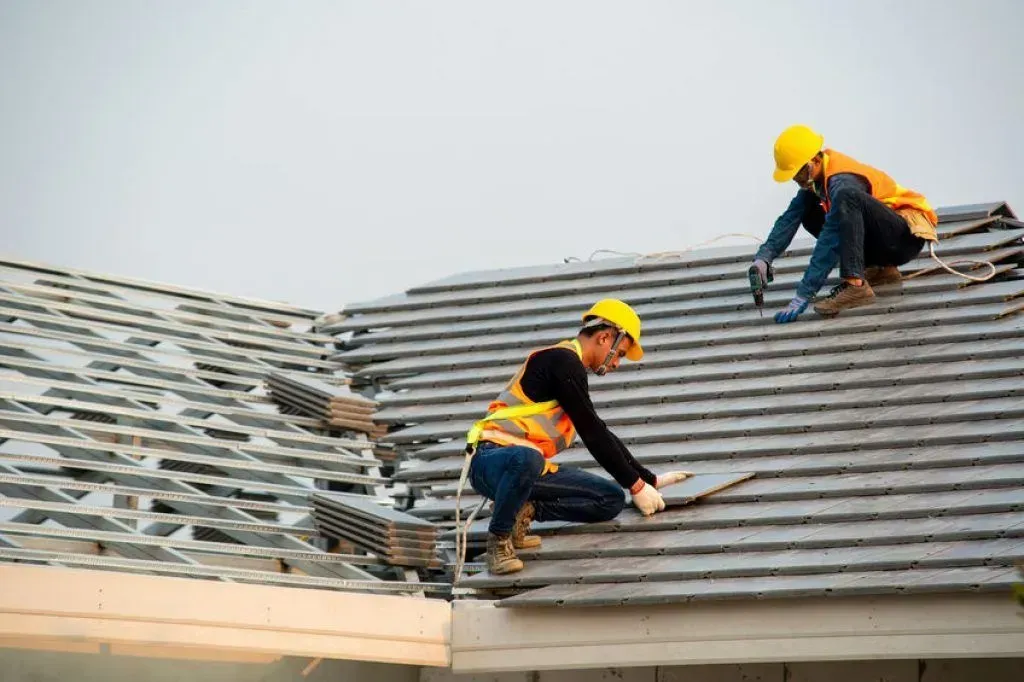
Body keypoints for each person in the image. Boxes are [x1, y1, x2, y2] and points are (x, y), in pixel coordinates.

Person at [464, 299, 692, 575]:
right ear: (604, 337)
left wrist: (647, 479)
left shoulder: (571, 370)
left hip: (526, 471)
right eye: (619, 353)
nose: (618, 363)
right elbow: (592, 433)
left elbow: (598, 428)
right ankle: (499, 542)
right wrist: (636, 487)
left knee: (610, 499)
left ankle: (524, 511)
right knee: (527, 458)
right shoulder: (562, 361)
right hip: (491, 463)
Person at [751, 125, 939, 323]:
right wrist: (764, 258)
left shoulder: (843, 181)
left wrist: (804, 293)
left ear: (814, 160)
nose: (798, 180)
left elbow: (830, 238)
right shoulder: (818, 181)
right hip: (886, 239)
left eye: (799, 173)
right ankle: (881, 270)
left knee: (846, 200)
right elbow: (789, 218)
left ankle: (855, 285)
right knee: (807, 208)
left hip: (905, 237)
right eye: (793, 177)